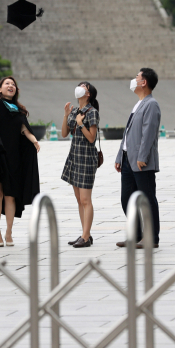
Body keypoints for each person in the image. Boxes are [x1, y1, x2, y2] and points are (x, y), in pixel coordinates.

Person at [0, 49, 41, 247]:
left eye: (13, 84)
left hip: (14, 158)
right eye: (6, 84)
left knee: (11, 196)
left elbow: (23, 129)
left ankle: (9, 232)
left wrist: (34, 139)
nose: (10, 86)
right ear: (0, 89)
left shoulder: (18, 110)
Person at [115, 68, 161, 248]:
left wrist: (142, 156)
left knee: (147, 199)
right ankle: (136, 235)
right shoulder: (138, 104)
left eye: (137, 77)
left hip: (142, 162)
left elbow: (148, 133)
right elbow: (128, 133)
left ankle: (151, 238)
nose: (133, 80)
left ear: (144, 82)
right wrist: (120, 155)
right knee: (127, 198)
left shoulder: (151, 104)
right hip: (128, 159)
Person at [61, 82, 100, 248]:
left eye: (84, 86)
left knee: (85, 199)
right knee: (79, 199)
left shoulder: (92, 112)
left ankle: (85, 236)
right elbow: (64, 133)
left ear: (88, 93)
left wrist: (81, 123)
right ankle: (85, 234)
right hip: (74, 158)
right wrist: (66, 115)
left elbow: (91, 138)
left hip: (86, 159)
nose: (79, 87)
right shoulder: (75, 112)